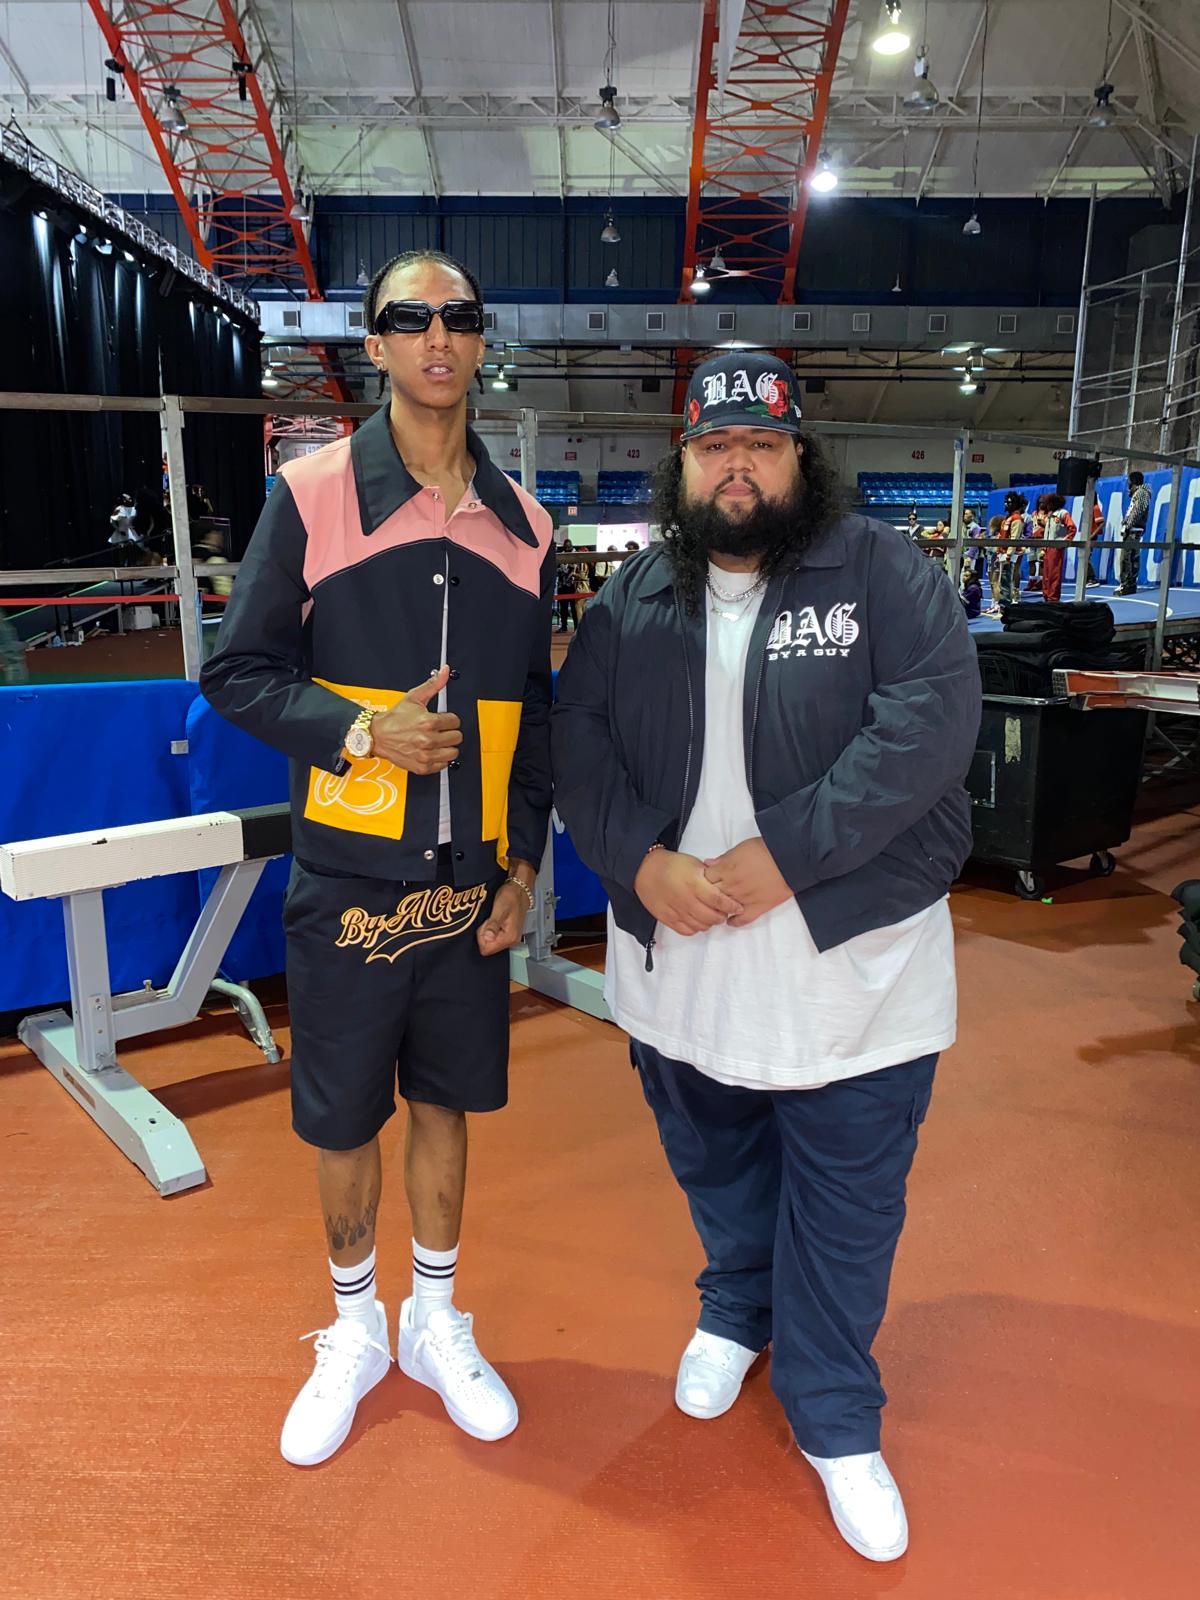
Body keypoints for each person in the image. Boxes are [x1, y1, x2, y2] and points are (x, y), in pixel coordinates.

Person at [552, 352, 980, 1565]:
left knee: (848, 1196)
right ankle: (738, 1306)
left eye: (762, 445)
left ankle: (836, 1415)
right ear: (683, 462)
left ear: (800, 456)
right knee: (715, 1157)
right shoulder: (634, 600)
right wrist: (638, 864)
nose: (737, 467)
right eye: (714, 446)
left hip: (855, 967)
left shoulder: (884, 575)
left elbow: (930, 726)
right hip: (682, 964)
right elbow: (579, 745)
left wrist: (788, 853)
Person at [200, 248, 555, 1467]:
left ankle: (433, 1319)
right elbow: (237, 672)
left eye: (459, 316)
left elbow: (537, 717)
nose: (437, 336)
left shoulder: (527, 525)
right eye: (412, 317)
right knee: (344, 1116)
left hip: (471, 892)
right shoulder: (309, 495)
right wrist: (364, 731)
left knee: (447, 1101)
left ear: (481, 338)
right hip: (349, 885)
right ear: (378, 342)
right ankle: (354, 1327)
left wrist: (522, 871)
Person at [1037, 492, 1076, 604]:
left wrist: (1064, 541)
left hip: (1056, 548)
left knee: (1054, 574)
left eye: (1049, 503)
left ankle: (1053, 598)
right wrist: (1043, 548)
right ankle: (1046, 596)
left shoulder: (1063, 513)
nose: (1047, 505)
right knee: (1046, 574)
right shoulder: (1050, 515)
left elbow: (1072, 528)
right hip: (1047, 547)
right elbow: (1048, 532)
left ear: (1054, 503)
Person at [1117, 469, 1151, 595]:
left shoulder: (1141, 493)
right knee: (1128, 557)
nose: (1128, 484)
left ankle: (1128, 584)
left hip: (1133, 530)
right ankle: (1126, 583)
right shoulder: (1139, 493)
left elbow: (1137, 511)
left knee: (1129, 558)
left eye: (1129, 481)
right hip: (1133, 529)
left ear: (1133, 481)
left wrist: (1127, 525)